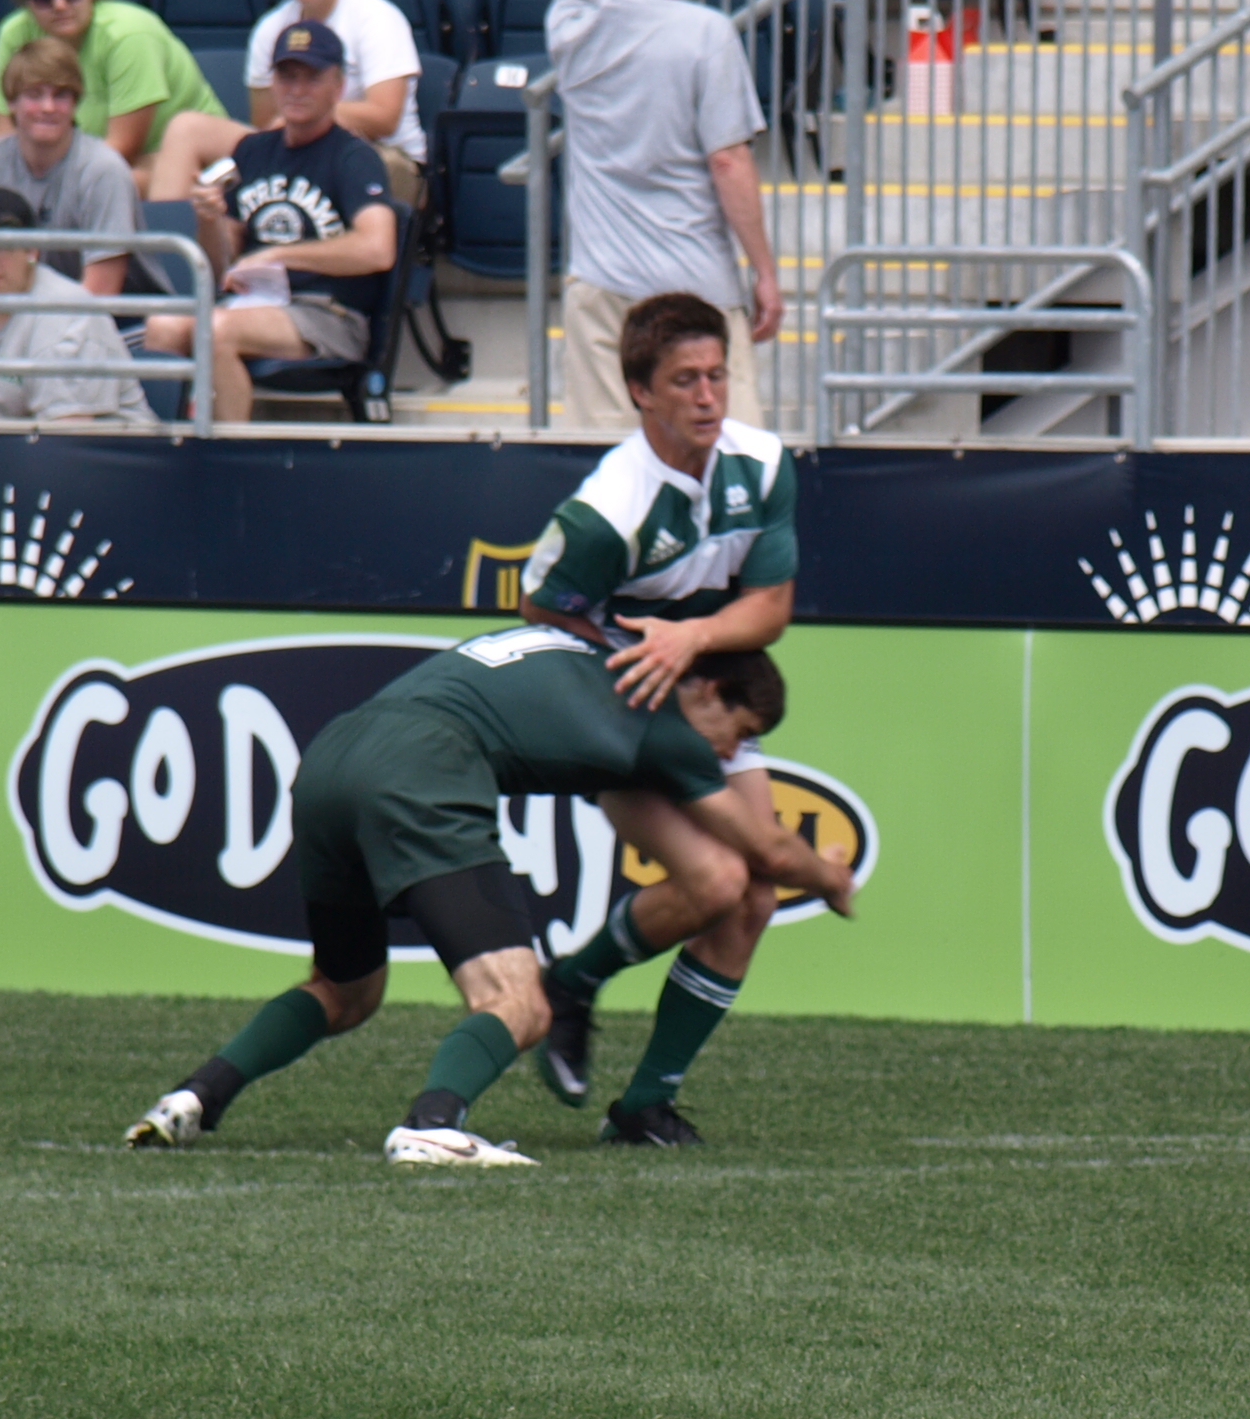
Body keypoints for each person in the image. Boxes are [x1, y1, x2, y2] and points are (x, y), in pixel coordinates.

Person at [119, 628, 848, 1165]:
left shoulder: (586, 649)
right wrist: (833, 877)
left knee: (343, 991)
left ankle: (194, 1097)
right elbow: (765, 848)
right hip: (426, 768)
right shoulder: (665, 725)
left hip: (331, 759)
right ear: (706, 689)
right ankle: (434, 1121)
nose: (729, 753)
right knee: (521, 1003)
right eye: (739, 734)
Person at [518, 290, 801, 1139]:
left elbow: (772, 608)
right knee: (716, 881)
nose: (708, 395)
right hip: (625, 705)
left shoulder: (764, 463)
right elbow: (542, 609)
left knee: (754, 895)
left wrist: (693, 640)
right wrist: (640, 672)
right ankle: (571, 983)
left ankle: (643, 1107)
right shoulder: (609, 509)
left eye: (717, 375)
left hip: (701, 693)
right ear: (640, 390)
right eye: (685, 380)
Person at [545, 0, 776, 423]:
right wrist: (764, 271)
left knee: (607, 465)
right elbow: (728, 163)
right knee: (728, 452)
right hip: (694, 280)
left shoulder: (573, 28)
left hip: (601, 280)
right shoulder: (706, 32)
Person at [160, 20, 403, 420]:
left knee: (216, 330)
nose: (297, 89)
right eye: (287, 76)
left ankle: (226, 462)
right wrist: (209, 219)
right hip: (250, 301)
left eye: (311, 78)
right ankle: (167, 456)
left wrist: (282, 256)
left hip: (327, 312)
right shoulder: (252, 152)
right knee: (161, 329)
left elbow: (378, 249)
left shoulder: (353, 157)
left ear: (338, 87)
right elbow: (222, 266)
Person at [146, 0, 424, 204]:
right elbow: (266, 122)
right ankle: (173, 244)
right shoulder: (271, 27)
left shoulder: (376, 16)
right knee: (186, 128)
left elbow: (385, 116)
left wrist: (308, 113)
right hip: (296, 144)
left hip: (381, 154)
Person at [0, 180, 149, 422]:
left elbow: (68, 439)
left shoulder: (67, 315)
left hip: (106, 456)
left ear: (32, 250)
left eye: (1, 246)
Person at [0, 0, 225, 165]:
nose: (60, 5)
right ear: (27, 1)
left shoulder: (129, 34)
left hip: (173, 157)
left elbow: (122, 149)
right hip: (85, 162)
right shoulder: (14, 34)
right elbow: (4, 137)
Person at [0, 34, 140, 291]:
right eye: (34, 94)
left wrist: (33, 326)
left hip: (113, 321)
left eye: (61, 95)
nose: (48, 107)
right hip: (10, 314)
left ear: (75, 104)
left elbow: (101, 291)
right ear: (11, 102)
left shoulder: (104, 169)